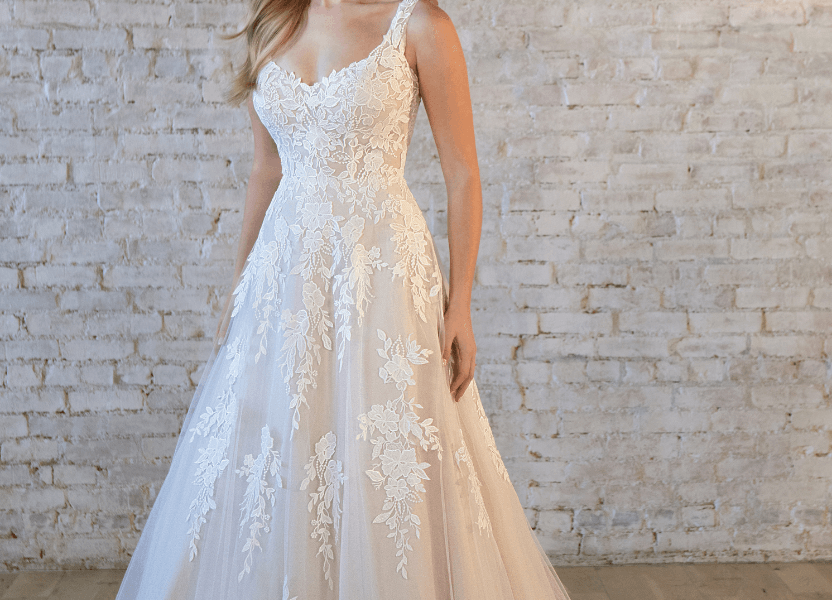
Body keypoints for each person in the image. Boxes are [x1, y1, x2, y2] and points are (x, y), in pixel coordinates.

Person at [113, 0, 573, 598]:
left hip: (380, 275)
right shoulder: (275, 22)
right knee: (277, 445)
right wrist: (240, 282)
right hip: (284, 276)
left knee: (384, 451)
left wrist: (460, 304)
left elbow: (463, 173)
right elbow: (266, 170)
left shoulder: (421, 26)